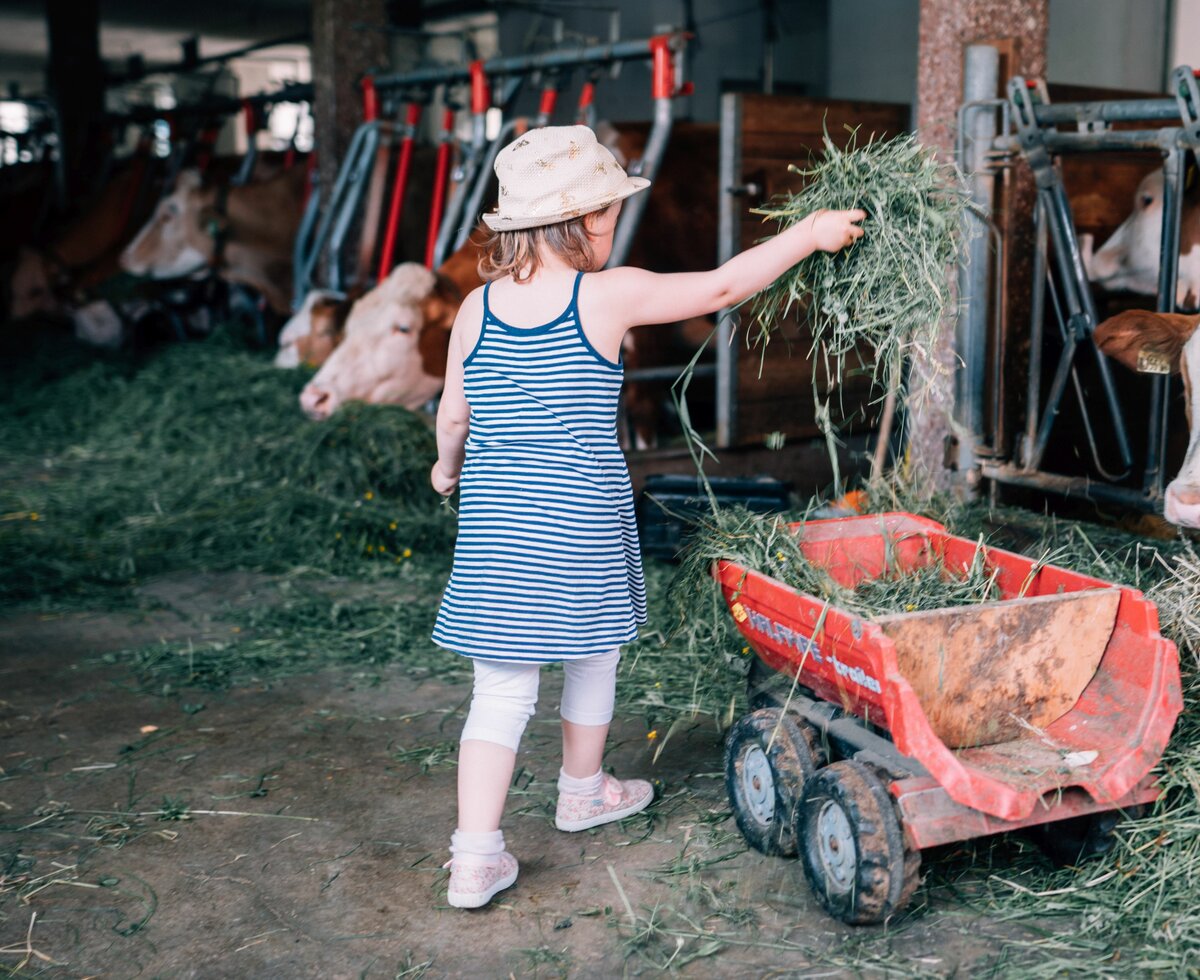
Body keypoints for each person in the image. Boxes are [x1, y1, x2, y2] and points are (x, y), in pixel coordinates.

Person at [430, 125, 865, 909]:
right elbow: (722, 288)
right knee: (594, 656)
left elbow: (454, 416)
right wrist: (810, 231)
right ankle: (582, 790)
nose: (611, 228)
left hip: (495, 536)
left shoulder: (474, 308)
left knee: (498, 694)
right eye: (605, 215)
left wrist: (445, 469)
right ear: (581, 221)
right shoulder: (606, 293)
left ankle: (473, 858)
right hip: (580, 528)